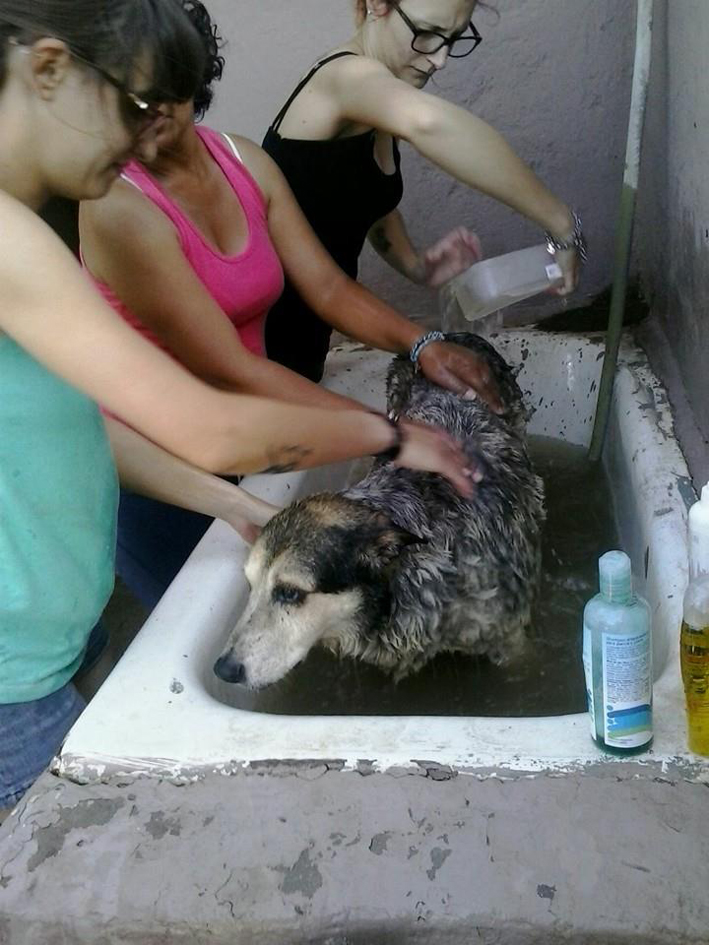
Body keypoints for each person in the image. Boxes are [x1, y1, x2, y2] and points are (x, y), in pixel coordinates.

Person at [0, 0, 476, 813]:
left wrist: (234, 503)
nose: (146, 138)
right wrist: (390, 436)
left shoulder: (42, 218)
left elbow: (83, 423)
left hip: (57, 638)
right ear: (48, 71)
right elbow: (205, 421)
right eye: (139, 106)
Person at [79, 0, 500, 609]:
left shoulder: (243, 161)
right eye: (115, 97)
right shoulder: (118, 206)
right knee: (214, 632)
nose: (133, 117)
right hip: (162, 474)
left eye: (152, 95)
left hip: (248, 441)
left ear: (190, 72)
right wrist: (388, 435)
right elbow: (231, 365)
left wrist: (422, 343)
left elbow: (326, 289)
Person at [262, 0, 587, 382]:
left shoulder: (375, 99)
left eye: (453, 38)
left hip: (302, 355)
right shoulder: (345, 77)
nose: (440, 59)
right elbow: (430, 123)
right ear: (376, 5)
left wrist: (417, 264)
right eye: (426, 33)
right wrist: (562, 224)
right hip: (259, 356)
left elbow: (358, 197)